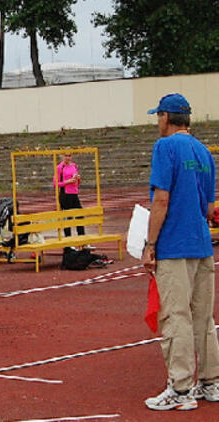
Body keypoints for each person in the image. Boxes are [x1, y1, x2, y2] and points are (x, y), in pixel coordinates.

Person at [142, 93, 219, 411]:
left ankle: (181, 387)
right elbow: (210, 207)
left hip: (174, 245)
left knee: (176, 318)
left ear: (166, 117)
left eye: (158, 116)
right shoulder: (203, 152)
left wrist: (150, 244)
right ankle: (211, 382)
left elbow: (161, 198)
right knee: (204, 319)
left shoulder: (165, 147)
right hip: (201, 244)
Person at [54, 152, 85, 237]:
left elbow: (77, 183)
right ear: (62, 156)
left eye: (69, 156)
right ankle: (68, 241)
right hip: (65, 194)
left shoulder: (74, 166)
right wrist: (68, 181)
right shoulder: (60, 167)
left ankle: (82, 238)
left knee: (80, 215)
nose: (68, 158)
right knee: (68, 217)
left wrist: (78, 179)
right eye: (66, 156)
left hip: (74, 194)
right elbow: (55, 184)